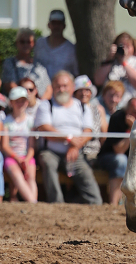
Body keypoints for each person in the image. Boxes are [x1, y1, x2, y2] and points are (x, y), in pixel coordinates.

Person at [34, 71, 102, 205]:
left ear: (72, 87)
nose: (61, 89)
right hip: (51, 152)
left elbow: (88, 131)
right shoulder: (46, 105)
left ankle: (95, 205)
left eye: (65, 86)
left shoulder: (82, 107)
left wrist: (75, 146)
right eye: (58, 86)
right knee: (47, 161)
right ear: (53, 87)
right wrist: (69, 138)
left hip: (76, 153)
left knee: (90, 185)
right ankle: (57, 203)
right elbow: (45, 128)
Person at [96, 97, 136, 206]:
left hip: (135, 157)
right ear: (127, 110)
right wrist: (132, 130)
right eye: (134, 112)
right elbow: (119, 150)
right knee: (121, 160)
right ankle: (113, 205)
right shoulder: (117, 117)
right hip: (111, 156)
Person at [1, 86, 37, 202]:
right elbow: (5, 146)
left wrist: (26, 159)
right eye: (17, 101)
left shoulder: (31, 121)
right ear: (11, 102)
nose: (20, 103)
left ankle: (33, 203)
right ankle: (34, 203)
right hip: (11, 157)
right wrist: (17, 159)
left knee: (31, 177)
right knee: (18, 177)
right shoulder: (6, 122)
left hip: (27, 157)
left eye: (23, 100)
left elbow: (32, 146)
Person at [93, 32, 136, 105]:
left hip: (129, 105)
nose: (124, 49)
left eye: (128, 46)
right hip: (109, 105)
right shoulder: (110, 62)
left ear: (133, 48)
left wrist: (124, 62)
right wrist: (109, 59)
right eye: (121, 46)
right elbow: (97, 81)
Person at [2, 28, 51, 101]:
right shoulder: (10, 63)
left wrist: (38, 104)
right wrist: (26, 100)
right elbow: (9, 85)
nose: (25, 45)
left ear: (33, 44)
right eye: (22, 42)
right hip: (18, 104)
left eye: (28, 42)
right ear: (17, 43)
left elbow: (49, 89)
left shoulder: (38, 65)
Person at [33, 10, 78, 79]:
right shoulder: (39, 44)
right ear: (48, 25)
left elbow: (75, 73)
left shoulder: (71, 49)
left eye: (59, 24)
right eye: (54, 23)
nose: (56, 26)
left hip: (61, 88)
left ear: (64, 26)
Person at [73, 74, 106, 164]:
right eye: (80, 90)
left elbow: (104, 135)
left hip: (93, 153)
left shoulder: (98, 109)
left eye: (87, 90)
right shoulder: (70, 109)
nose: (84, 94)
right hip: (74, 151)